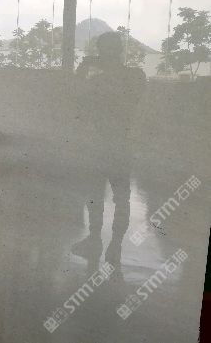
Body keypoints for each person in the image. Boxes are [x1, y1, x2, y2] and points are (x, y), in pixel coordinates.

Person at [72, 32, 146, 271]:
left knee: (99, 195)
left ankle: (99, 240)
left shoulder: (118, 77)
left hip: (105, 144)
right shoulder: (135, 75)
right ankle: (113, 245)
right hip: (119, 145)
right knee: (117, 197)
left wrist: (85, 70)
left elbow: (77, 99)